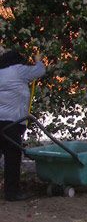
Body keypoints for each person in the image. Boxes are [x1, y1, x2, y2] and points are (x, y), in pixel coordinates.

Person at [0, 47, 46, 201]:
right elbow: (39, 71)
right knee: (12, 158)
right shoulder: (18, 70)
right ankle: (12, 193)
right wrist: (37, 60)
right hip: (11, 122)